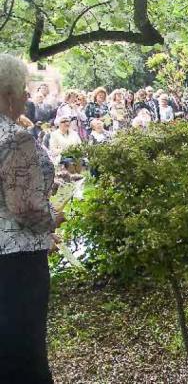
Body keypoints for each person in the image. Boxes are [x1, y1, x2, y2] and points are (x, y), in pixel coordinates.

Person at [0, 54, 57, 384]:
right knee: (24, 352)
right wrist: (53, 217)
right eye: (22, 89)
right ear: (7, 94)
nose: (26, 96)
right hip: (17, 266)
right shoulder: (14, 138)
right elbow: (25, 208)